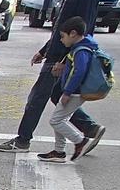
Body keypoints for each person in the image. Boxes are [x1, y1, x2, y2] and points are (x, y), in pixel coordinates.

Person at [0, 0, 106, 156]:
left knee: (37, 99)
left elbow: (83, 30)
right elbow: (61, 29)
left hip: (62, 58)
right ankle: (88, 128)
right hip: (56, 54)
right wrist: (44, 50)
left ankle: (23, 140)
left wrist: (65, 60)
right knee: (56, 97)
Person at [38, 17, 100, 164]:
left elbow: (79, 72)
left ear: (73, 34)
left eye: (62, 36)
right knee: (61, 119)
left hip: (74, 92)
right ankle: (59, 151)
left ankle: (80, 141)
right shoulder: (83, 47)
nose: (61, 40)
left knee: (56, 120)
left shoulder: (81, 50)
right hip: (74, 91)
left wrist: (67, 92)